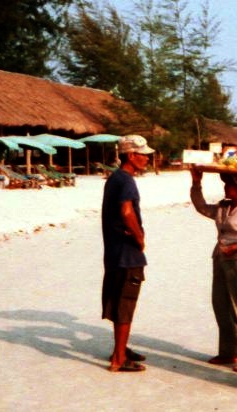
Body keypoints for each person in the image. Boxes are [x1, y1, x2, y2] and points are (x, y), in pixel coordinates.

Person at [189, 168, 237, 374]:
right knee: (220, 304)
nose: (226, 187)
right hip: (220, 259)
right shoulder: (223, 206)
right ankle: (229, 351)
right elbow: (201, 207)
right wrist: (196, 183)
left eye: (230, 184)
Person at [100, 134, 154, 372]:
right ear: (131, 155)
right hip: (127, 253)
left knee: (118, 303)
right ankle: (119, 358)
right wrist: (140, 238)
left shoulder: (114, 178)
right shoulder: (127, 181)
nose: (147, 159)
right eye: (143, 155)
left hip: (113, 252)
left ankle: (119, 349)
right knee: (125, 305)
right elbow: (126, 211)